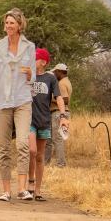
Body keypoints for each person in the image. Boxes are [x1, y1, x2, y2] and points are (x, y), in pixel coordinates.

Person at [0, 8, 36, 201]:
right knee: (3, 146)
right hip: (1, 101)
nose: (8, 26)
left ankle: (22, 189)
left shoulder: (29, 47)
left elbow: (33, 74)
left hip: (22, 99)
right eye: (6, 23)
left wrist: (30, 74)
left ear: (20, 25)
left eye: (12, 22)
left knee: (22, 143)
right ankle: (6, 190)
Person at [28, 49, 69, 201]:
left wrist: (63, 115)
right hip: (29, 119)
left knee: (40, 156)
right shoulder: (27, 75)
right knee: (31, 151)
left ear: (43, 62)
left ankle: (38, 190)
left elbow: (58, 97)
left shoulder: (50, 78)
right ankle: (30, 183)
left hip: (44, 120)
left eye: (36, 58)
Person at [44, 63, 72, 167]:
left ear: (60, 72)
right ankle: (46, 163)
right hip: (61, 113)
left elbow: (65, 99)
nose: (55, 74)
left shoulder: (61, 84)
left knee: (57, 139)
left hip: (58, 113)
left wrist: (50, 98)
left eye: (55, 72)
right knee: (51, 139)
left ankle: (61, 164)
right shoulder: (67, 82)